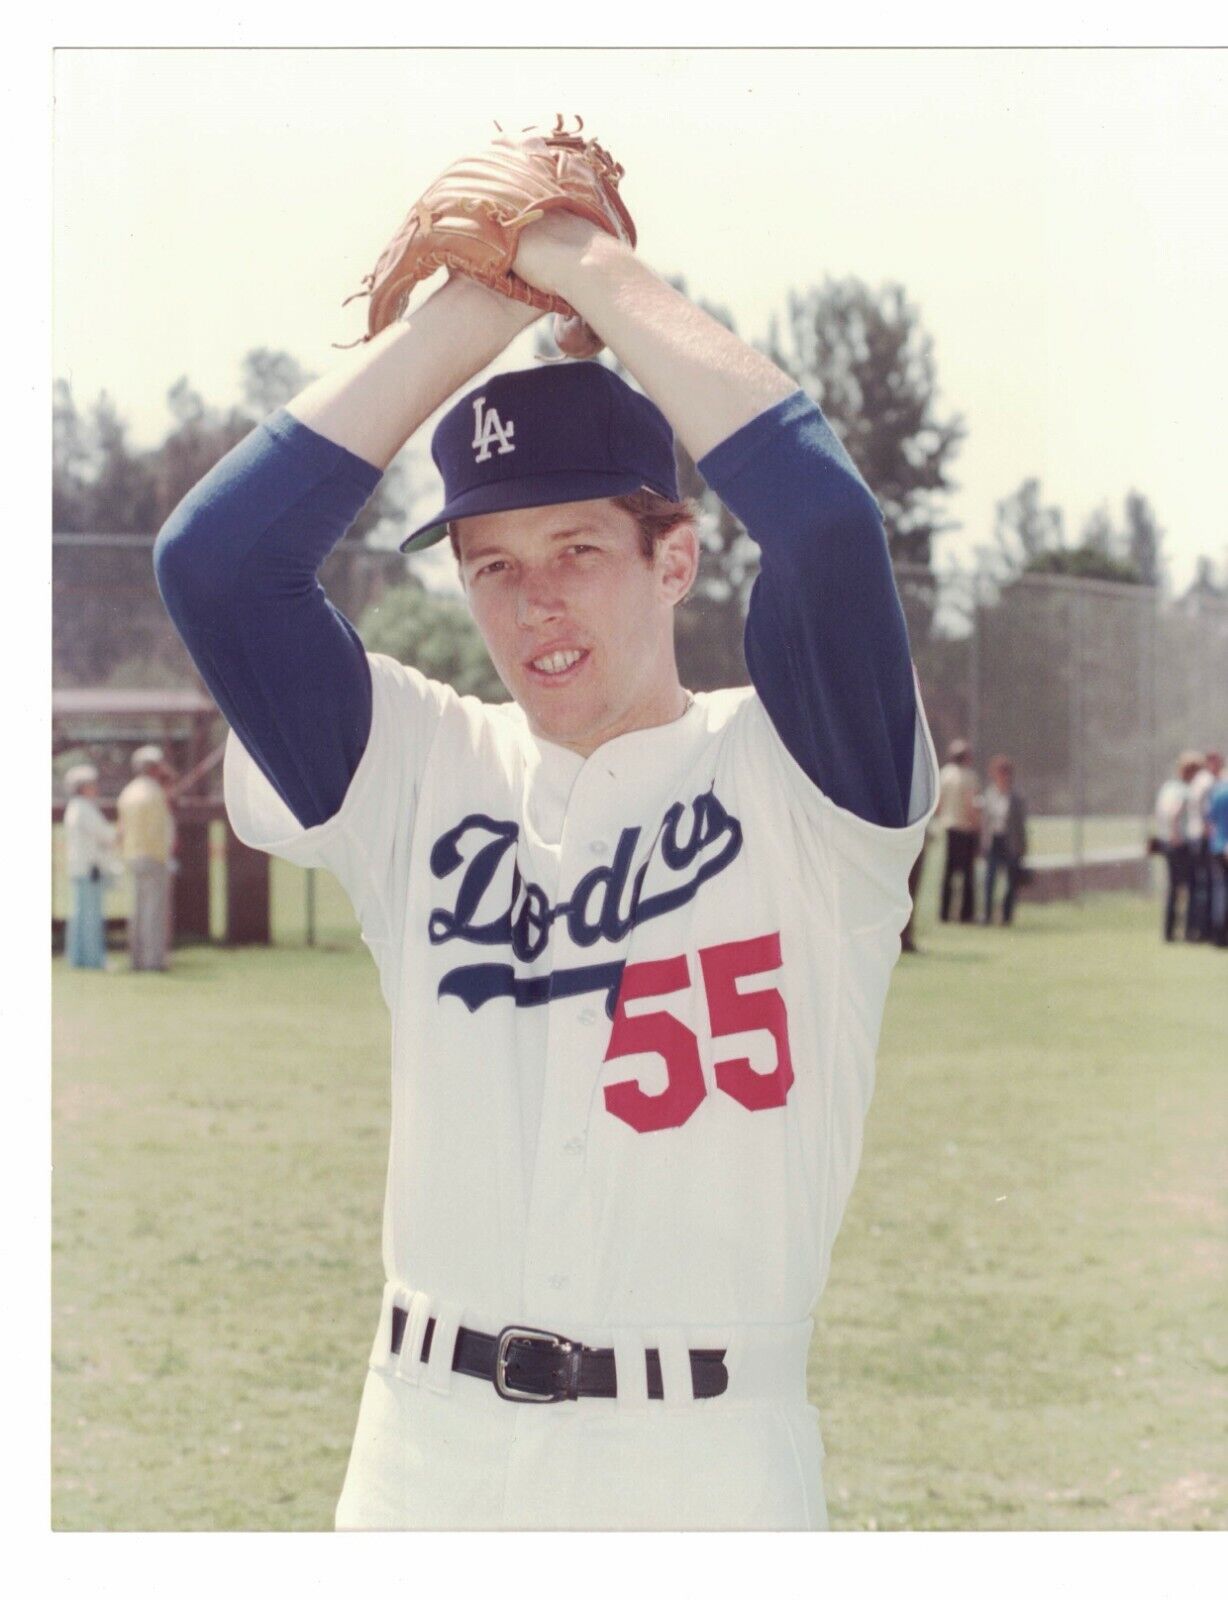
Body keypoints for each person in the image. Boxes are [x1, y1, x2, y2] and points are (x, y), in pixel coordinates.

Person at [154, 174, 936, 1532]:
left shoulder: (805, 773)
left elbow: (823, 524)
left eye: (578, 546)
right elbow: (216, 564)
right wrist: (474, 305)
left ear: (677, 556)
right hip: (423, 1459)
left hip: (705, 1465)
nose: (536, 603)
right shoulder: (418, 763)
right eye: (492, 563)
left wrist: (579, 264)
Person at [116, 745, 174, 972]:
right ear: (153, 768)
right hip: (153, 855)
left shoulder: (127, 792)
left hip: (132, 855)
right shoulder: (155, 793)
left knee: (137, 910)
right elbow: (164, 829)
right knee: (154, 912)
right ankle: (153, 961)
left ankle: (136, 959)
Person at [62, 763, 115, 970]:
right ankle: (93, 959)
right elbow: (106, 835)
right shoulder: (84, 809)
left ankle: (78, 957)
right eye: (92, 784)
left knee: (80, 915)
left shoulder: (74, 808)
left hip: (79, 868)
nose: (96, 788)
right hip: (90, 869)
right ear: (83, 787)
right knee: (91, 917)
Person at [1153, 751, 1202, 943]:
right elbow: (1175, 812)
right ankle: (1189, 931)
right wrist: (1175, 833)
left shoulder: (1168, 787)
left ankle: (1169, 931)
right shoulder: (1184, 790)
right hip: (1179, 842)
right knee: (1188, 886)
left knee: (1173, 887)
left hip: (1166, 841)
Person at [936, 737, 980, 923]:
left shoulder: (944, 774)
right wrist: (976, 824)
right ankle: (966, 914)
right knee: (967, 873)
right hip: (965, 828)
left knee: (949, 872)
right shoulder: (969, 776)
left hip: (948, 827)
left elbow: (938, 804)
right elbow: (971, 804)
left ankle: (944, 913)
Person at [981, 755, 1028, 926]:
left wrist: (1023, 847)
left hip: (1010, 843)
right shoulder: (990, 794)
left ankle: (1006, 916)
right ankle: (986, 916)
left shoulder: (1016, 796)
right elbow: (985, 822)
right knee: (989, 880)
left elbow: (1021, 825)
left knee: (1010, 882)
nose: (1003, 776)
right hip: (994, 841)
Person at [1186, 750, 1219, 941]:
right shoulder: (1207, 781)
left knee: (1199, 883)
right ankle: (1203, 930)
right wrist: (1208, 827)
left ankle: (1195, 929)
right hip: (1202, 835)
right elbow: (1205, 808)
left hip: (1194, 834)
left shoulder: (1197, 782)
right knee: (1205, 884)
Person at [1204, 753, 1228, 948]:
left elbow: (1209, 821)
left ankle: (1218, 936)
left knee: (1220, 890)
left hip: (1217, 846)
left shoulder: (1217, 791)